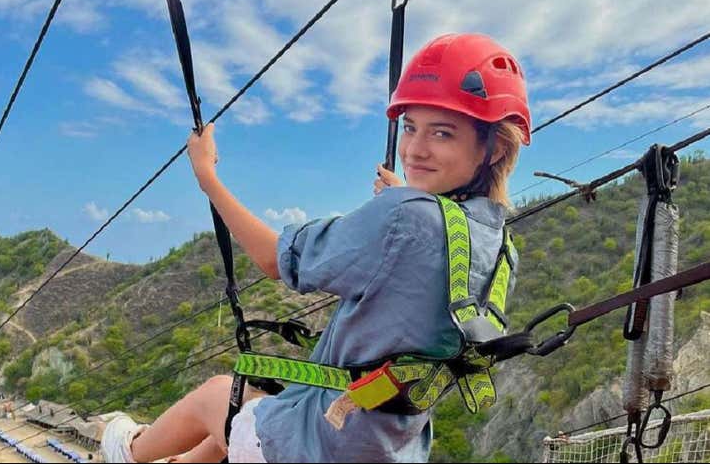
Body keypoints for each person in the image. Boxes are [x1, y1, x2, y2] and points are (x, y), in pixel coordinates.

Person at [101, 33, 530, 463]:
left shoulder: (406, 217)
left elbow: (274, 259)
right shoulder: (499, 246)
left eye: (442, 133)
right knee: (243, 415)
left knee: (214, 397)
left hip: (322, 443)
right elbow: (424, 273)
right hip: (388, 447)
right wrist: (413, 200)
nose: (415, 149)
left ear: (494, 148)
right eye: (411, 127)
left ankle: (127, 452)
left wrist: (206, 176)